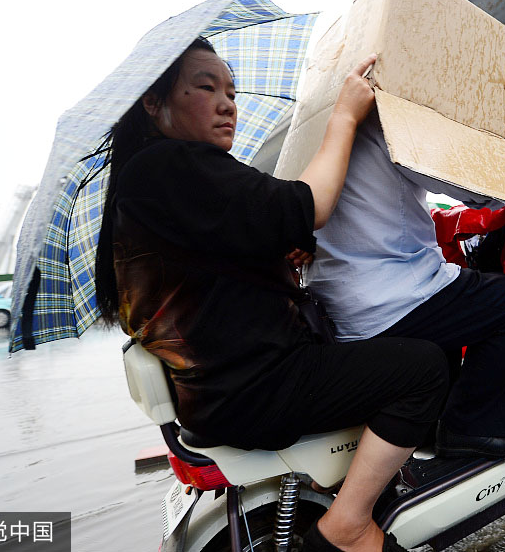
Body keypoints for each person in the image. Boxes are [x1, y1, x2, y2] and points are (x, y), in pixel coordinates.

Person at [94, 38, 450, 552]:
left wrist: (278, 258)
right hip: (258, 387)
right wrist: (345, 117)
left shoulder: (148, 179)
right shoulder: (175, 164)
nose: (226, 103)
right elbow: (310, 205)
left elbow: (208, 269)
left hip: (215, 393)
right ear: (154, 103)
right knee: (423, 368)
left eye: (231, 91)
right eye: (205, 87)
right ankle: (349, 525)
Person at [306, 109, 505, 458]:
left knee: (451, 304)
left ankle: (428, 428)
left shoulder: (318, 126)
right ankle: (472, 427)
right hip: (390, 296)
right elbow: (462, 181)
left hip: (338, 304)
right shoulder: (387, 117)